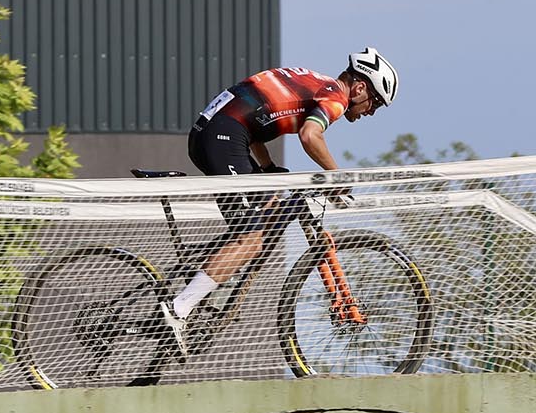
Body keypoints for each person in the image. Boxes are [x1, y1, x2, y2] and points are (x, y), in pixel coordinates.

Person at [158, 49, 398, 355]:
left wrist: (268, 166)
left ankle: (208, 274)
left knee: (271, 205)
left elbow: (255, 118)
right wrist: (337, 177)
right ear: (361, 87)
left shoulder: (315, 82)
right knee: (251, 241)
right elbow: (311, 136)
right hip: (223, 136)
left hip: (220, 131)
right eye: (375, 103)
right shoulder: (335, 97)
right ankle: (180, 308)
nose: (372, 112)